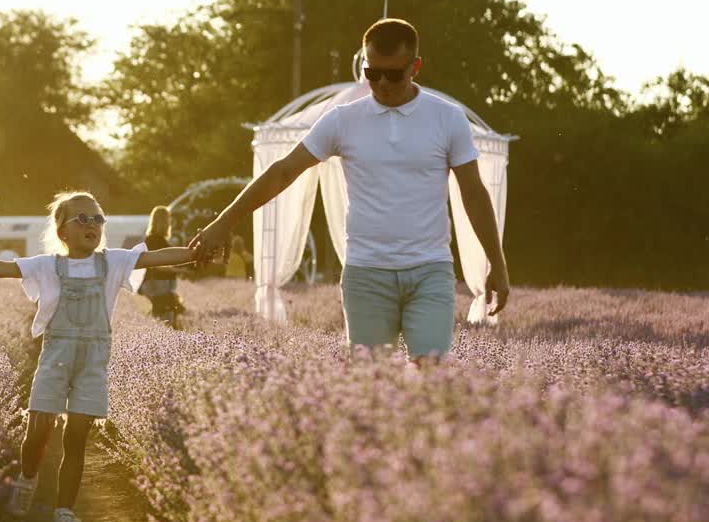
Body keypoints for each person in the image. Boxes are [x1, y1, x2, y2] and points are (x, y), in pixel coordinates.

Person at [192, 19, 510, 363]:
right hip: (366, 272)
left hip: (429, 269)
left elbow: (474, 194)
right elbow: (283, 172)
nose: (383, 84)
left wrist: (498, 263)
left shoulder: (447, 119)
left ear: (415, 67)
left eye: (394, 74)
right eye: (373, 74)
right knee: (371, 383)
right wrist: (224, 221)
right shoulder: (342, 120)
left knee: (432, 371)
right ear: (364, 66)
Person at [0, 191, 193, 522]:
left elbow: (156, 258)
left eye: (98, 218)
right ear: (63, 232)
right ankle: (27, 481)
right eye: (83, 219)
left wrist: (196, 251)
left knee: (77, 437)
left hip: (93, 362)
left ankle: (64, 510)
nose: (93, 224)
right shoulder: (48, 265)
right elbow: (1, 268)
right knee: (38, 433)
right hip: (55, 357)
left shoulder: (114, 262)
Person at [136, 205, 184, 327]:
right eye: (167, 220)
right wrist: (179, 270)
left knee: (165, 315)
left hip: (162, 283)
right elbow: (156, 265)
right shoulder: (153, 240)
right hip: (157, 284)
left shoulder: (158, 239)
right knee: (166, 317)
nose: (169, 223)